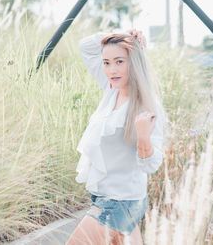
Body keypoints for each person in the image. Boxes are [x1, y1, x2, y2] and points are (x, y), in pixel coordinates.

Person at [66, 29, 166, 245]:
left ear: (134, 62)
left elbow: (151, 165)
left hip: (120, 202)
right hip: (106, 197)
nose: (112, 70)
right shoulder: (112, 91)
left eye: (120, 61)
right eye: (106, 63)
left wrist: (143, 137)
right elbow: (85, 46)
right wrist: (120, 33)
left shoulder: (147, 105)